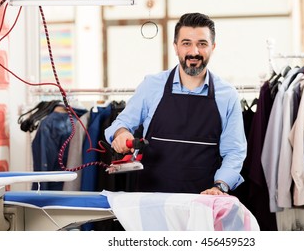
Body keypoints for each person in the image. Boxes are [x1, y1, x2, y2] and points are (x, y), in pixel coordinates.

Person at [104, 12, 247, 195]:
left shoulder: (227, 95)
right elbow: (120, 124)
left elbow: (234, 152)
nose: (194, 52)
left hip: (203, 203)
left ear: (213, 47)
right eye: (186, 43)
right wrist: (121, 134)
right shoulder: (151, 86)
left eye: (202, 44)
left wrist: (220, 186)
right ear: (175, 47)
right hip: (152, 202)